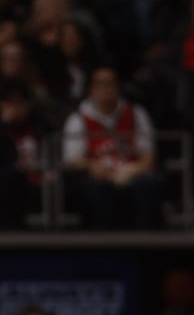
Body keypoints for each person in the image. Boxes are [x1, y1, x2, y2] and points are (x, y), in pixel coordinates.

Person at [60, 67, 161, 229]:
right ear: (91, 89)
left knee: (149, 184)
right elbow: (72, 160)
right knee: (93, 188)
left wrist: (135, 169)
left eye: (110, 84)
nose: (106, 89)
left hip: (130, 172)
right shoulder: (78, 119)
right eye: (100, 84)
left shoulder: (136, 114)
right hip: (96, 175)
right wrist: (91, 166)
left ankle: (144, 239)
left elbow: (148, 156)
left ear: (118, 87)